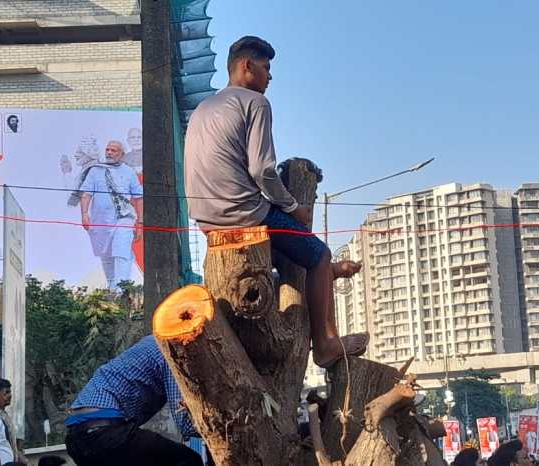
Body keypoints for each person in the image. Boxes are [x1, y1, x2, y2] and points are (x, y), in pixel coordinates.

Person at [183, 35, 369, 368]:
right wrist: (293, 207)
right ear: (246, 65)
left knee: (293, 254)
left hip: (206, 219)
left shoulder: (203, 109)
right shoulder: (254, 103)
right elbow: (263, 170)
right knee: (319, 253)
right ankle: (326, 343)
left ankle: (328, 275)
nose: (270, 77)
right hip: (244, 212)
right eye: (266, 68)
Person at [64, 335, 203, 466]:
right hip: (105, 434)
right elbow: (186, 423)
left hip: (76, 441)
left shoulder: (151, 343)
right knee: (189, 460)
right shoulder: (171, 350)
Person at [78, 140, 143, 290]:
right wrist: (84, 214)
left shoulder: (129, 171)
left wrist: (139, 223)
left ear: (122, 154)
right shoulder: (95, 170)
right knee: (106, 255)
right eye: (107, 149)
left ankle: (122, 288)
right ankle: (113, 288)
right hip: (100, 221)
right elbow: (86, 193)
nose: (109, 153)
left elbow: (139, 198)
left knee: (122, 251)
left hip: (124, 219)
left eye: (114, 150)